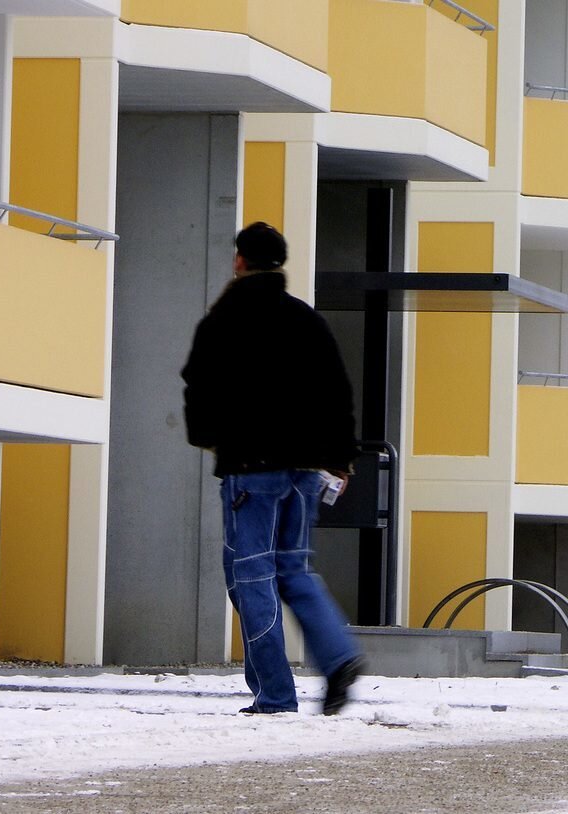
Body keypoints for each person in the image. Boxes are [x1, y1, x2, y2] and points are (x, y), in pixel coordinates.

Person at [181, 221, 365, 715]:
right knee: (294, 568)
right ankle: (339, 655)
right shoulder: (306, 320)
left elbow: (197, 387)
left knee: (251, 575)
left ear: (240, 260)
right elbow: (338, 392)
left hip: (250, 467)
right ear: (280, 262)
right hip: (306, 470)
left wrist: (209, 438)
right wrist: (340, 458)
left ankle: (274, 695)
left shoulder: (223, 320)